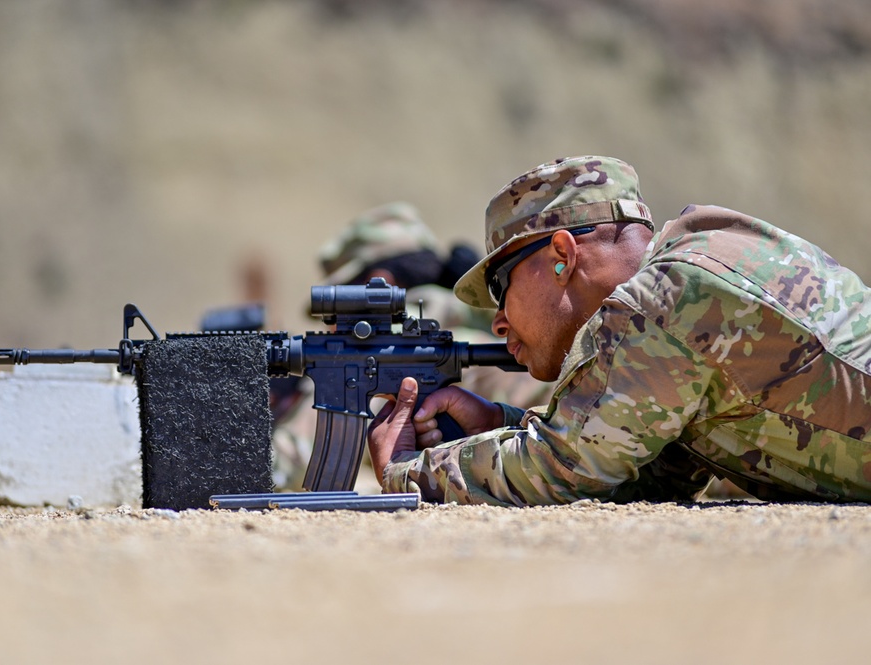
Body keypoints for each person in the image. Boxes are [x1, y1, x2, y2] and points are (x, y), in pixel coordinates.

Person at [368, 155, 871, 505]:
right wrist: (500, 423)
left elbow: (563, 470)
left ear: (562, 256)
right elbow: (647, 469)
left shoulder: (666, 298)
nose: (498, 319)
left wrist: (405, 471)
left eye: (503, 287)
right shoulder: (688, 271)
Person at [271, 201, 554, 491]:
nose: (330, 327)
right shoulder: (466, 325)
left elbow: (291, 461)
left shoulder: (396, 343)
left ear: (376, 283)